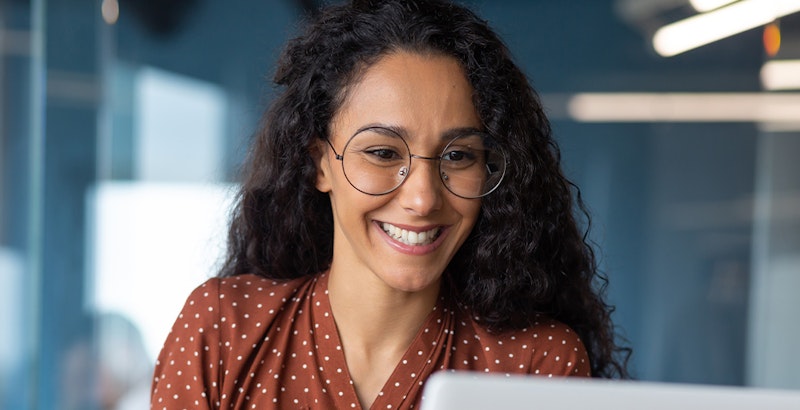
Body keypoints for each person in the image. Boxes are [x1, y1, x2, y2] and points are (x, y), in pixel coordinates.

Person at [151, 0, 630, 408]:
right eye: (382, 153)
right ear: (320, 165)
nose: (422, 198)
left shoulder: (534, 364)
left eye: (459, 155)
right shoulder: (222, 330)